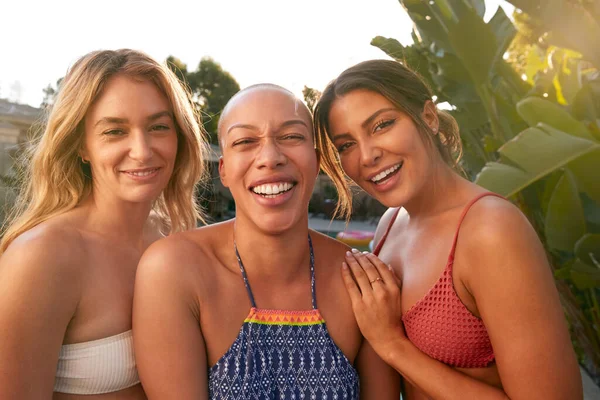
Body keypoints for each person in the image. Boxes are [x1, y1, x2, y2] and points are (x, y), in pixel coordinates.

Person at [312, 59, 583, 400]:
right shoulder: (389, 226)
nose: (366, 156)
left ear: (428, 116)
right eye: (346, 145)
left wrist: (392, 343)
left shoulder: (490, 230)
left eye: (381, 125)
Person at [132, 83, 400, 399]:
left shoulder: (360, 281)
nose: (270, 158)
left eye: (291, 137)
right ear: (225, 171)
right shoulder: (174, 270)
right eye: (245, 141)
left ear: (316, 163)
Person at [0, 49, 208, 399]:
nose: (141, 150)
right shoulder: (41, 257)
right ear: (82, 145)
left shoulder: (174, 237)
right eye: (115, 131)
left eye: (158, 127)